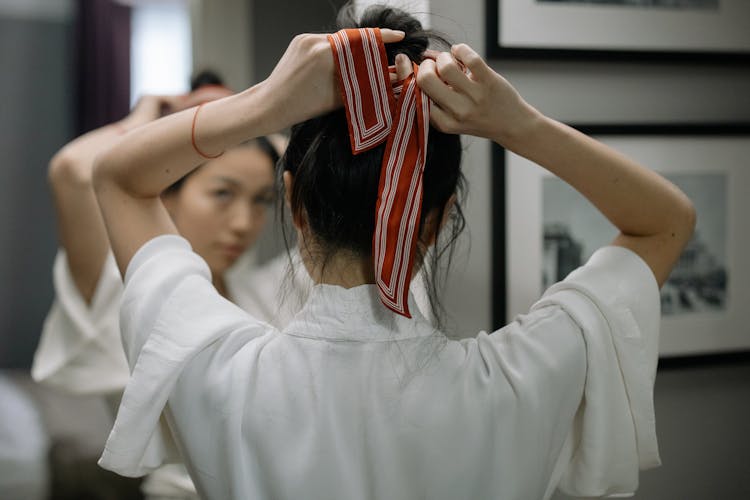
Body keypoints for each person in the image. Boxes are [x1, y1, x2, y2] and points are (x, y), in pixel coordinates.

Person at [93, 6, 695, 500]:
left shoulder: (215, 369)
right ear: (433, 224)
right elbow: (666, 222)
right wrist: (518, 124)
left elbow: (117, 177)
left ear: (293, 204)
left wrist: (266, 105)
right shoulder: (519, 380)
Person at [31, 76, 306, 499]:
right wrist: (152, 114)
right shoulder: (121, 292)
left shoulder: (265, 293)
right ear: (162, 194)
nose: (243, 223)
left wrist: (249, 115)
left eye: (260, 201)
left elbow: (324, 184)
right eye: (221, 194)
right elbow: (73, 170)